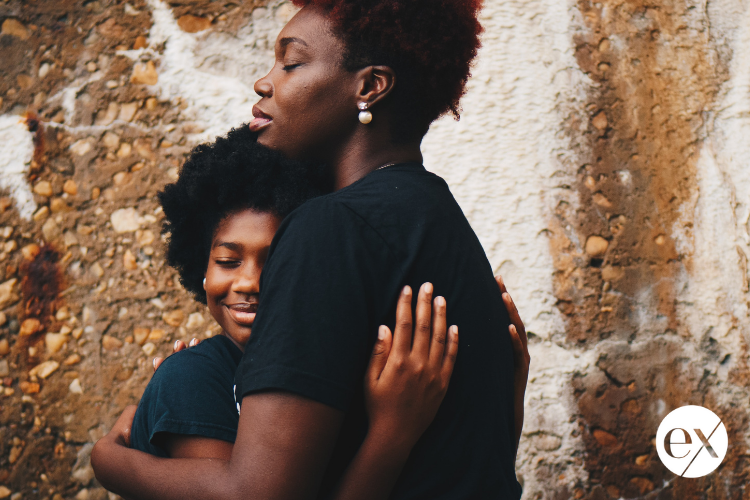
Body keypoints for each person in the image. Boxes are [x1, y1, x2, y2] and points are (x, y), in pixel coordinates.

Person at [92, 1, 529, 498]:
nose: (264, 82)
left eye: (291, 63)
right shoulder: (437, 215)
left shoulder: (330, 227)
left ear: (368, 87)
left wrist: (110, 462)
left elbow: (259, 493)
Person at [130, 128, 460, 500]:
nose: (249, 282)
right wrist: (391, 435)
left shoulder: (333, 371)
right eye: (228, 261)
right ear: (201, 269)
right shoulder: (193, 377)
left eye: (277, 262)